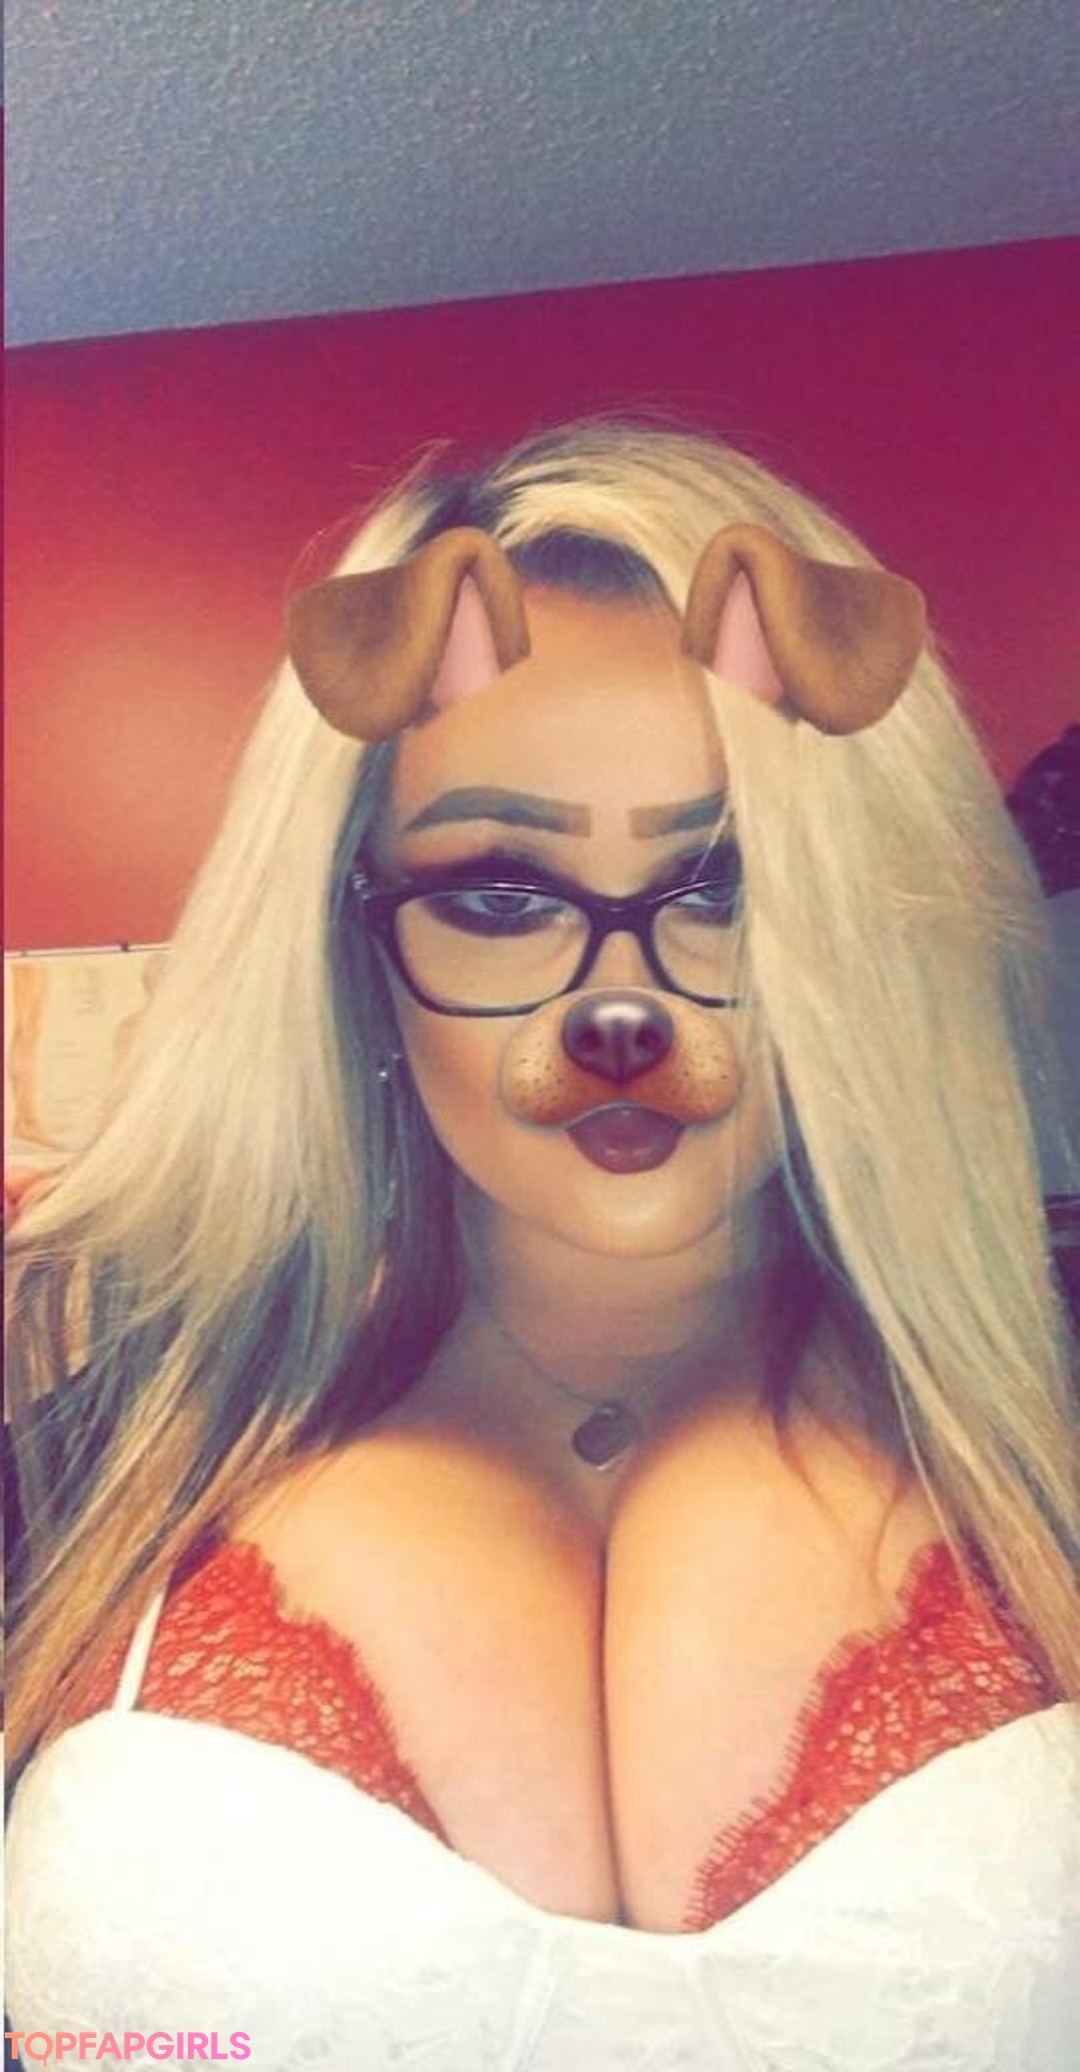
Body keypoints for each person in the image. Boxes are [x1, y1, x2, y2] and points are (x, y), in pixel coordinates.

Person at [5, 415, 1078, 2070]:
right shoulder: (74, 1462)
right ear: (350, 947)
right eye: (501, 896)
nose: (619, 1005)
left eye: (720, 884)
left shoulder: (1049, 1420)